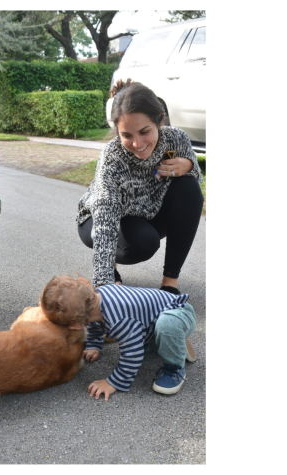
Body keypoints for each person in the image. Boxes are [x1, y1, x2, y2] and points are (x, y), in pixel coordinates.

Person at [76, 80, 203, 294]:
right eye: (126, 135)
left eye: (144, 131)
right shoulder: (112, 157)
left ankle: (169, 284)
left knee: (189, 187)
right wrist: (104, 283)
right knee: (143, 243)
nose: (137, 143)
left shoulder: (177, 139)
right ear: (118, 131)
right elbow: (106, 219)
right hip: (100, 219)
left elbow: (193, 191)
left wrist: (189, 165)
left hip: (147, 212)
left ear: (159, 121)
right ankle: (112, 270)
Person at [39, 275, 196, 398]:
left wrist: (112, 383)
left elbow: (133, 355)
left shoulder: (119, 320)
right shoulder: (94, 299)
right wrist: (94, 344)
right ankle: (171, 340)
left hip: (179, 311)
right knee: (157, 329)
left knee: (165, 326)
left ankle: (175, 367)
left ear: (75, 326)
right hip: (152, 320)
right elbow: (93, 322)